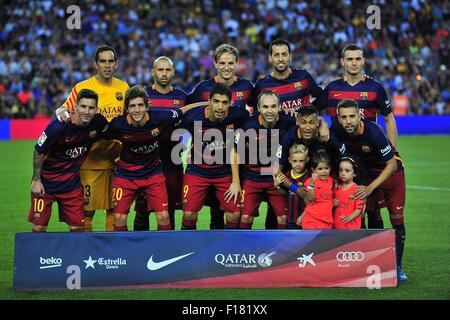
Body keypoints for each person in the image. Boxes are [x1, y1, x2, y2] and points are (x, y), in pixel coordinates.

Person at [313, 43, 400, 229]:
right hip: (343, 159)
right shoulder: (332, 88)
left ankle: (372, 253)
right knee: (345, 206)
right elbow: (311, 111)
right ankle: (352, 253)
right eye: (350, 59)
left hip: (370, 157)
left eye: (358, 59)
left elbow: (389, 118)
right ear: (342, 62)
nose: (354, 63)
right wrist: (321, 123)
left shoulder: (375, 88)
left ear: (363, 61)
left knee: (372, 209)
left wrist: (394, 150)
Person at [331, 98, 408, 281]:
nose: (348, 121)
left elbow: (392, 165)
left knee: (396, 219)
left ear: (360, 116)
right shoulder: (336, 130)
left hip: (391, 174)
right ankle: (372, 262)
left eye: (352, 116)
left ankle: (397, 266)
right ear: (339, 119)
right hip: (367, 174)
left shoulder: (373, 131)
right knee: (369, 215)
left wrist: (371, 187)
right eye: (344, 117)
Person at [251, 38, 324, 229]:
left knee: (309, 191)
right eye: (276, 55)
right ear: (270, 58)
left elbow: (321, 99)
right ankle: (274, 242)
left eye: (284, 54)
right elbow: (254, 113)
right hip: (275, 147)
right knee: (277, 194)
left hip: (304, 145)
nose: (281, 58)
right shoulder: (262, 84)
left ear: (290, 56)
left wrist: (312, 119)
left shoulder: (303, 77)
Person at [56, 45, 129, 231]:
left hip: (117, 161)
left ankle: (112, 255)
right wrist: (61, 112)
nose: (107, 65)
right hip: (90, 162)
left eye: (110, 61)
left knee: (115, 210)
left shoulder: (124, 87)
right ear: (95, 64)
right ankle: (86, 254)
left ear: (116, 64)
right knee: (86, 213)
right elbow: (65, 109)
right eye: (102, 61)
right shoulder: (82, 87)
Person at [102, 86, 195, 231]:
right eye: (132, 106)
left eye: (140, 105)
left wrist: (206, 104)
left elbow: (183, 110)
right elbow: (98, 133)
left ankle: (166, 251)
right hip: (126, 174)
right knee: (119, 218)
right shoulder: (117, 124)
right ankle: (123, 252)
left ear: (147, 106)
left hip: (153, 173)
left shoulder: (160, 117)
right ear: (126, 109)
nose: (137, 110)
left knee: (163, 216)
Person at [186, 44, 254, 229]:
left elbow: (257, 111)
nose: (226, 67)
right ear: (215, 64)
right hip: (204, 159)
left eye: (230, 63)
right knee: (210, 209)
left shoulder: (246, 87)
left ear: (236, 64)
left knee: (232, 209)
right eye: (222, 63)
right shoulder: (203, 88)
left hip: (232, 157)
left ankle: (227, 249)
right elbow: (188, 110)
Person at [28, 89, 107, 232]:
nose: (86, 111)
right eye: (83, 107)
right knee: (39, 228)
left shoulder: (99, 122)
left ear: (96, 110)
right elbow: (38, 151)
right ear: (75, 107)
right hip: (46, 185)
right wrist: (36, 180)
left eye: (91, 108)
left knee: (78, 229)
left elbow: (112, 134)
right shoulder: (58, 126)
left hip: (72, 187)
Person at [180, 83, 249, 230]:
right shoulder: (193, 117)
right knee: (189, 215)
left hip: (224, 172)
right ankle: (188, 246)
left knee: (235, 215)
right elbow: (178, 115)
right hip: (197, 171)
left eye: (224, 103)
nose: (220, 107)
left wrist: (236, 181)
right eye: (216, 101)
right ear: (209, 101)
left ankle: (228, 247)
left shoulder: (238, 115)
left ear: (230, 104)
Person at [133, 56, 187, 231]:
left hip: (172, 162)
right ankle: (139, 251)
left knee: (169, 211)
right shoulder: (143, 96)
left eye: (167, 70)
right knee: (142, 212)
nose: (164, 73)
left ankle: (168, 251)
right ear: (152, 72)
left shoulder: (183, 97)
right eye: (160, 69)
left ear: (173, 72)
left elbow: (193, 123)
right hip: (145, 163)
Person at [237, 90, 296, 229]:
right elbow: (235, 152)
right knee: (245, 217)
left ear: (279, 106)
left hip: (275, 177)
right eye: (265, 107)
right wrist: (236, 180)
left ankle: (283, 250)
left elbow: (310, 121)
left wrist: (322, 125)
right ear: (258, 108)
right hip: (252, 177)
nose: (269, 111)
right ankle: (241, 249)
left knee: (283, 217)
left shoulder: (288, 121)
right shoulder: (248, 126)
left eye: (273, 106)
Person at [277, 105, 347, 175]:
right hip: (296, 180)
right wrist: (294, 186)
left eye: (311, 122)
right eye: (303, 123)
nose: (307, 127)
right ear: (297, 122)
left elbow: (346, 158)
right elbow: (277, 169)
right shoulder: (288, 137)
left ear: (317, 122)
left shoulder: (327, 135)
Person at [274, 144, 311, 229]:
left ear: (307, 160)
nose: (298, 164)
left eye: (301, 161)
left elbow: (312, 201)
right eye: (295, 161)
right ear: (289, 160)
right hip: (290, 218)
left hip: (305, 218)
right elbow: (285, 193)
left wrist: (303, 215)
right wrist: (277, 186)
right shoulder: (286, 176)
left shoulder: (309, 177)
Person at [294, 151, 335, 230]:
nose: (324, 171)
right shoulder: (310, 181)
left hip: (327, 222)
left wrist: (334, 199)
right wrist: (312, 184)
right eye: (320, 169)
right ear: (313, 169)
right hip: (312, 221)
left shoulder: (331, 181)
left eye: (326, 168)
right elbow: (310, 199)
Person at [333, 157, 366, 229]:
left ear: (355, 174)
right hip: (337, 227)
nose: (343, 173)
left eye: (347, 171)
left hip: (352, 228)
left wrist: (349, 218)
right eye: (340, 170)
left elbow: (359, 209)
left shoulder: (357, 189)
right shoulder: (336, 188)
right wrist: (332, 202)